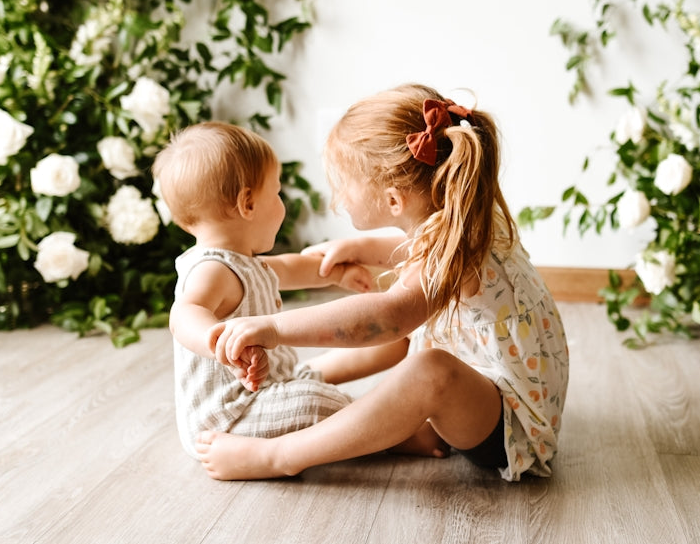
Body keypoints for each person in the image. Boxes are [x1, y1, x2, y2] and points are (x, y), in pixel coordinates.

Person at [202, 84, 570, 481]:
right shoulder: (463, 212)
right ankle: (302, 380)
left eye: (343, 183)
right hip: (499, 392)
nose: (337, 196)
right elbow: (413, 247)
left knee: (428, 368)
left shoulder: (454, 247)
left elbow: (389, 317)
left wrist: (275, 328)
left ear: (394, 201)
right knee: (416, 337)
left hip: (508, 427)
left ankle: (281, 456)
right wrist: (358, 247)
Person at [154, 121, 393, 462]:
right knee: (317, 402)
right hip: (231, 419)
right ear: (248, 204)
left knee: (308, 384)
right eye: (277, 192)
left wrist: (337, 273)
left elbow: (291, 267)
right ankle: (394, 435)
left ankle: (381, 385)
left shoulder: (243, 262)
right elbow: (184, 313)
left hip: (266, 389)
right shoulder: (211, 270)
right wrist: (220, 342)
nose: (281, 202)